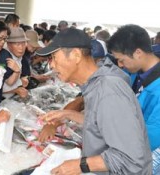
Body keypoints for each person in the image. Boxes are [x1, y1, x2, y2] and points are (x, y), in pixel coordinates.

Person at [36, 28, 152, 174]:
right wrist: (68, 114)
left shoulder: (109, 91)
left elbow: (129, 158)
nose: (51, 65)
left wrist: (80, 165)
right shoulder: (95, 85)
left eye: (53, 57)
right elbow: (103, 124)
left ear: (76, 55)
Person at [107, 24, 160, 173]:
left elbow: (151, 138)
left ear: (138, 52)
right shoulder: (136, 74)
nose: (120, 65)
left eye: (122, 60)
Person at [0, 27, 29, 103]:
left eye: (23, 43)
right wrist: (16, 89)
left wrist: (20, 78)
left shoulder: (18, 56)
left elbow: (9, 81)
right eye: (17, 44)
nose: (21, 48)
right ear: (9, 44)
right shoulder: (3, 59)